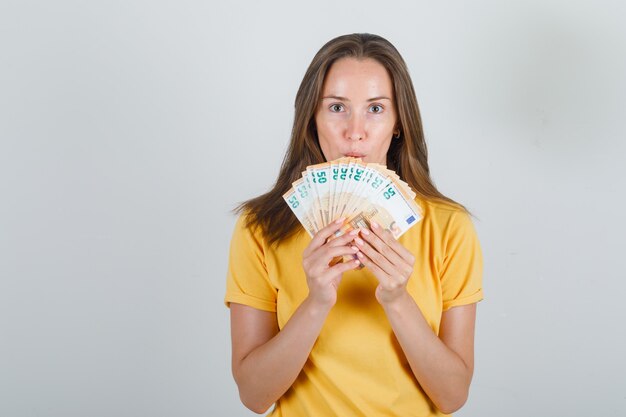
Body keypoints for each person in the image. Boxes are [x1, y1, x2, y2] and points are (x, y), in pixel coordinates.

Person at [224, 33, 483, 416]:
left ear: (399, 122)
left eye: (376, 109)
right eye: (336, 107)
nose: (355, 131)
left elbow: (453, 396)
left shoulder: (449, 227)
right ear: (311, 119)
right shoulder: (259, 228)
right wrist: (316, 302)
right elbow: (254, 396)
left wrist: (397, 299)